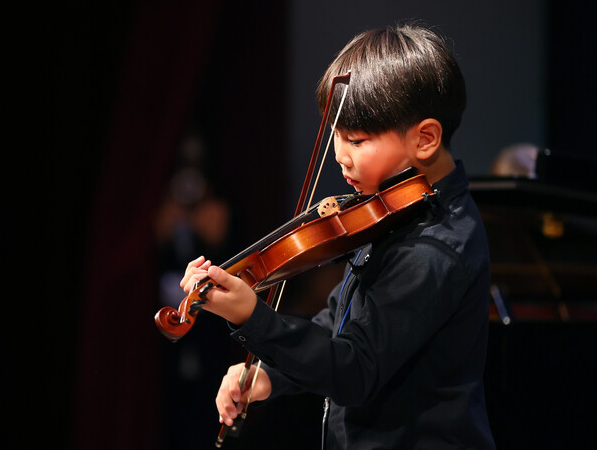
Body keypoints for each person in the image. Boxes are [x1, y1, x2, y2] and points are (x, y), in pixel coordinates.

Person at [180, 24, 496, 449]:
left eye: (356, 140)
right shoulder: (393, 210)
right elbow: (340, 319)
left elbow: (354, 370)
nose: (340, 155)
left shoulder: (434, 247)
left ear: (425, 139)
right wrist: (271, 374)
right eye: (335, 134)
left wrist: (254, 318)